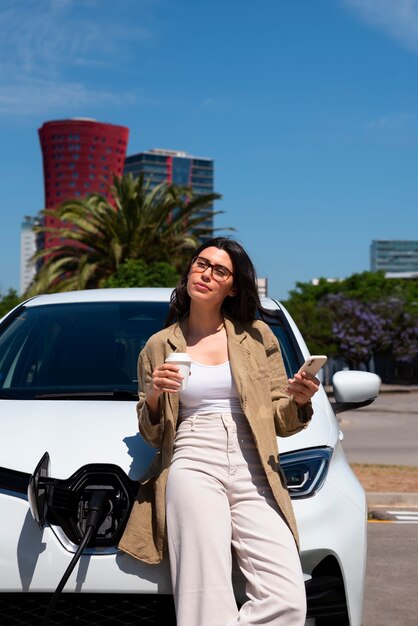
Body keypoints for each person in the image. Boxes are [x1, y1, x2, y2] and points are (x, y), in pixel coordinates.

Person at [118, 237, 320, 626]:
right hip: (193, 458)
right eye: (201, 264)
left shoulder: (259, 337)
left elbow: (281, 420)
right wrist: (156, 394)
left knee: (288, 599)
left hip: (254, 462)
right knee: (204, 598)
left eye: (220, 270)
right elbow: (151, 432)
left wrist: (298, 400)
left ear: (233, 286)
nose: (206, 274)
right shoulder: (160, 345)